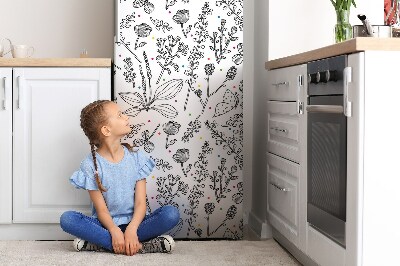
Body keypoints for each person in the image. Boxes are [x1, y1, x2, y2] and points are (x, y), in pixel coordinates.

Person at [60, 100, 180, 256]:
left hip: (137, 223)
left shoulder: (136, 157)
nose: (126, 117)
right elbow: (102, 210)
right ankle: (141, 246)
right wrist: (114, 230)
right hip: (106, 225)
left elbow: (140, 203)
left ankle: (105, 244)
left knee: (171, 214)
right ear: (106, 130)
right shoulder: (90, 165)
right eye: (119, 115)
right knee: (67, 219)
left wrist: (132, 229)